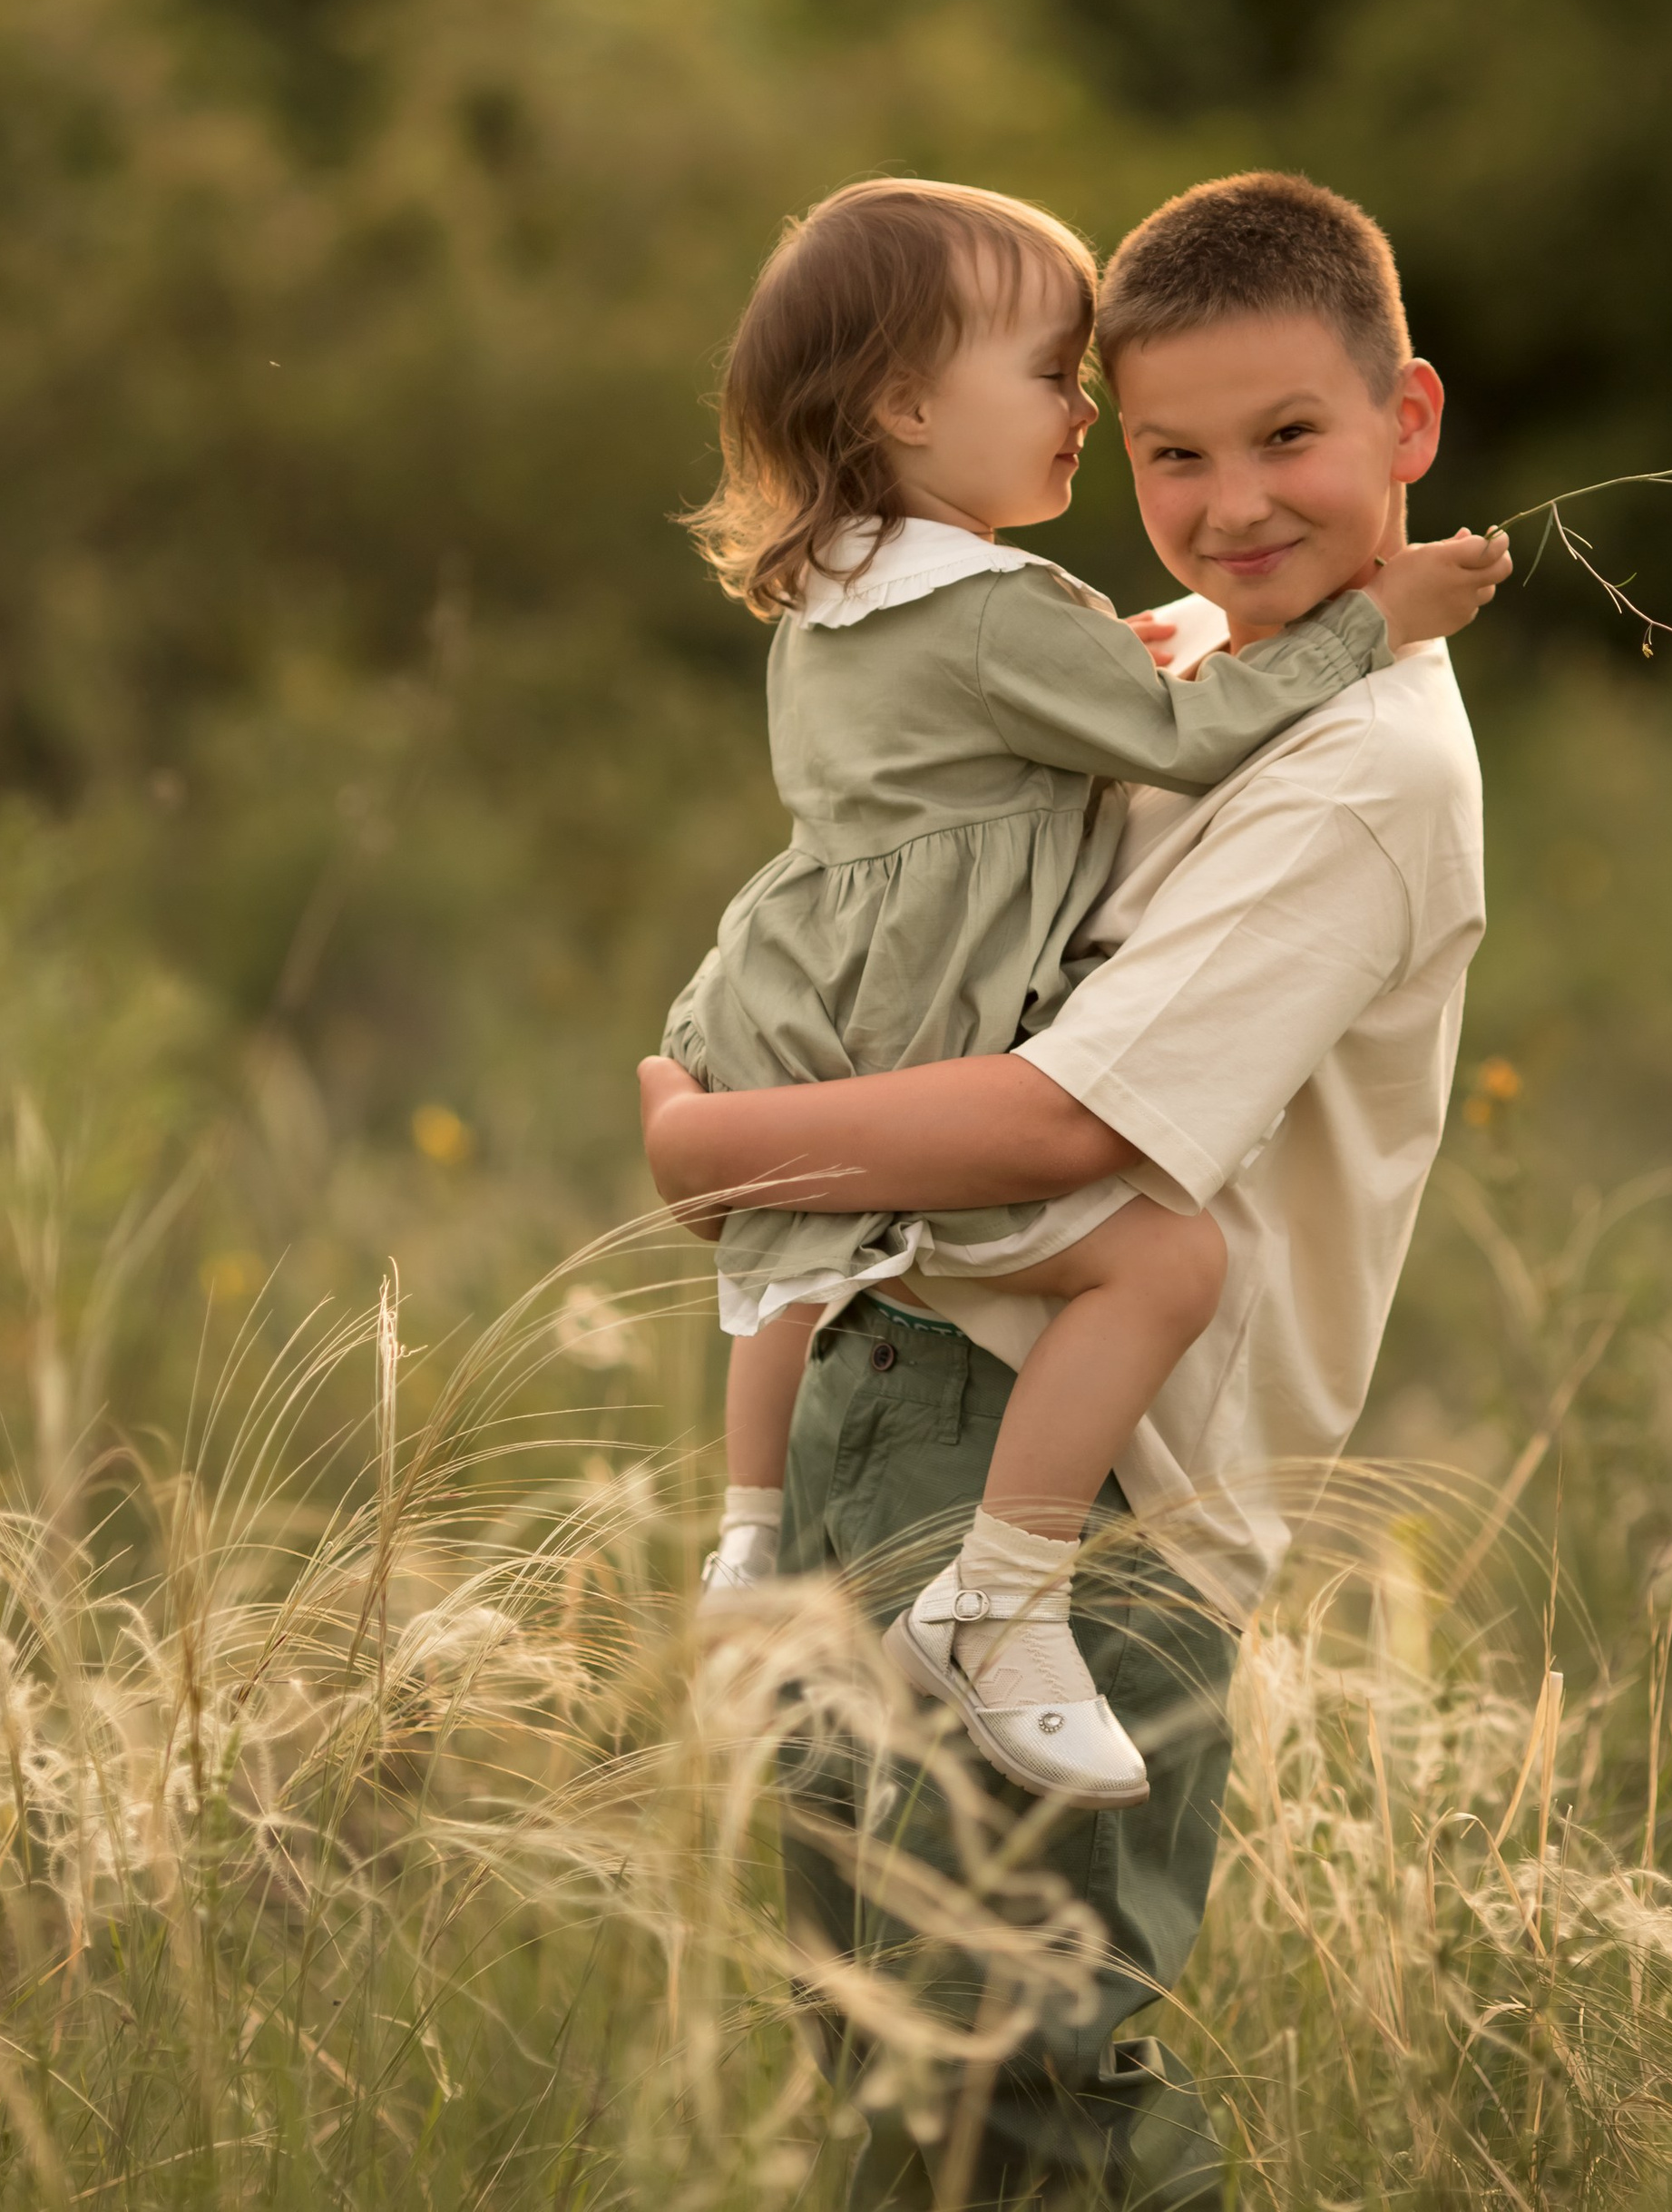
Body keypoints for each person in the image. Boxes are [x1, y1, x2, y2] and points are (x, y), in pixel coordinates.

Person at [640, 169, 1493, 2207]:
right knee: (875, 2052)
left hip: (1076, 1488)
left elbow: (1063, 1133)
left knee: (1008, 2082)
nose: (1224, 506)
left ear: (1407, 423)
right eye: (1169, 451)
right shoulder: (1178, 645)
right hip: (900, 1376)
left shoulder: (1364, 770)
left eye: (1287, 438)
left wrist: (705, 1150)